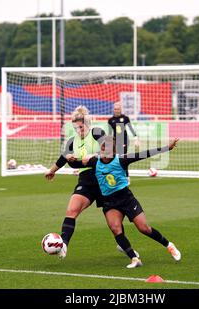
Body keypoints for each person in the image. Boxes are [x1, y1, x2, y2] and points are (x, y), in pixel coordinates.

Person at [67, 136, 181, 268]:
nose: (105, 155)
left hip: (126, 199)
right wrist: (70, 159)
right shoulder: (94, 161)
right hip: (109, 202)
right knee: (116, 228)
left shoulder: (121, 160)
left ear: (114, 152)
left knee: (144, 228)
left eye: (108, 152)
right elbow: (77, 164)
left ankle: (169, 245)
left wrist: (167, 147)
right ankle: (134, 258)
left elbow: (144, 154)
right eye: (103, 151)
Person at [44, 106, 108, 259]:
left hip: (105, 179)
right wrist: (52, 170)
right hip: (86, 181)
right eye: (75, 127)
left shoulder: (97, 133)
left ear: (88, 123)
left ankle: (123, 244)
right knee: (71, 210)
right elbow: (63, 157)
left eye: (80, 126)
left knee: (113, 222)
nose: (78, 130)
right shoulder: (73, 141)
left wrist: (93, 155)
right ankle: (63, 244)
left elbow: (110, 151)